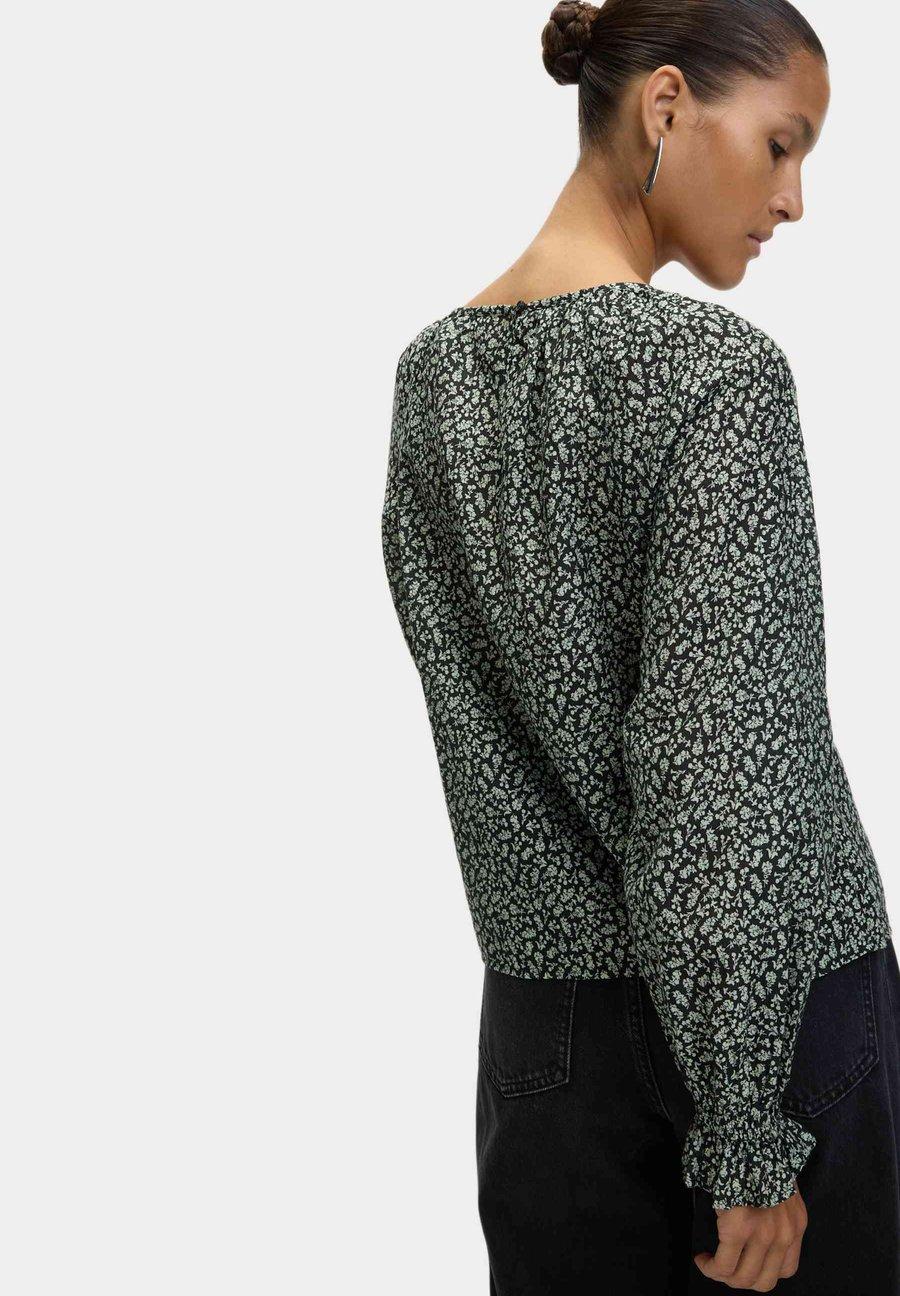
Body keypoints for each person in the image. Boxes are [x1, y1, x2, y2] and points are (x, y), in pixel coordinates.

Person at [380, 1, 900, 1291]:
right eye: (781, 143)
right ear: (665, 105)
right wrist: (745, 1132)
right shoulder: (715, 377)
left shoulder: (433, 382)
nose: (794, 200)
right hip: (768, 1014)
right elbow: (717, 774)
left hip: (544, 1033)